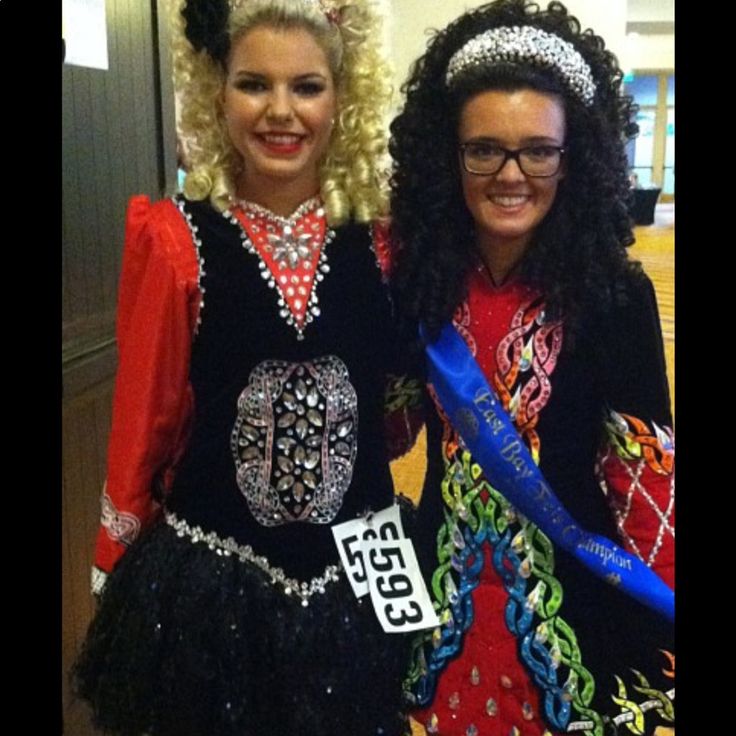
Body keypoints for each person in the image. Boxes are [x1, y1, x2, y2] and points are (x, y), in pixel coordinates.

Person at [72, 1, 416, 734]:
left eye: (308, 87)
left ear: (342, 96)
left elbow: (394, 411)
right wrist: (114, 554)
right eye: (255, 84)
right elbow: (146, 418)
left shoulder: (387, 245)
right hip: (212, 575)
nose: (281, 112)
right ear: (215, 90)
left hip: (363, 565)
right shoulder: (174, 240)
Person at [388, 1, 674, 735]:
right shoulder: (416, 282)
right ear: (446, 159)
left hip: (576, 620)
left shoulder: (614, 294)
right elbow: (382, 437)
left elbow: (648, 484)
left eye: (538, 151)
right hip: (439, 613)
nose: (510, 174)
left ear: (574, 160)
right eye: (484, 149)